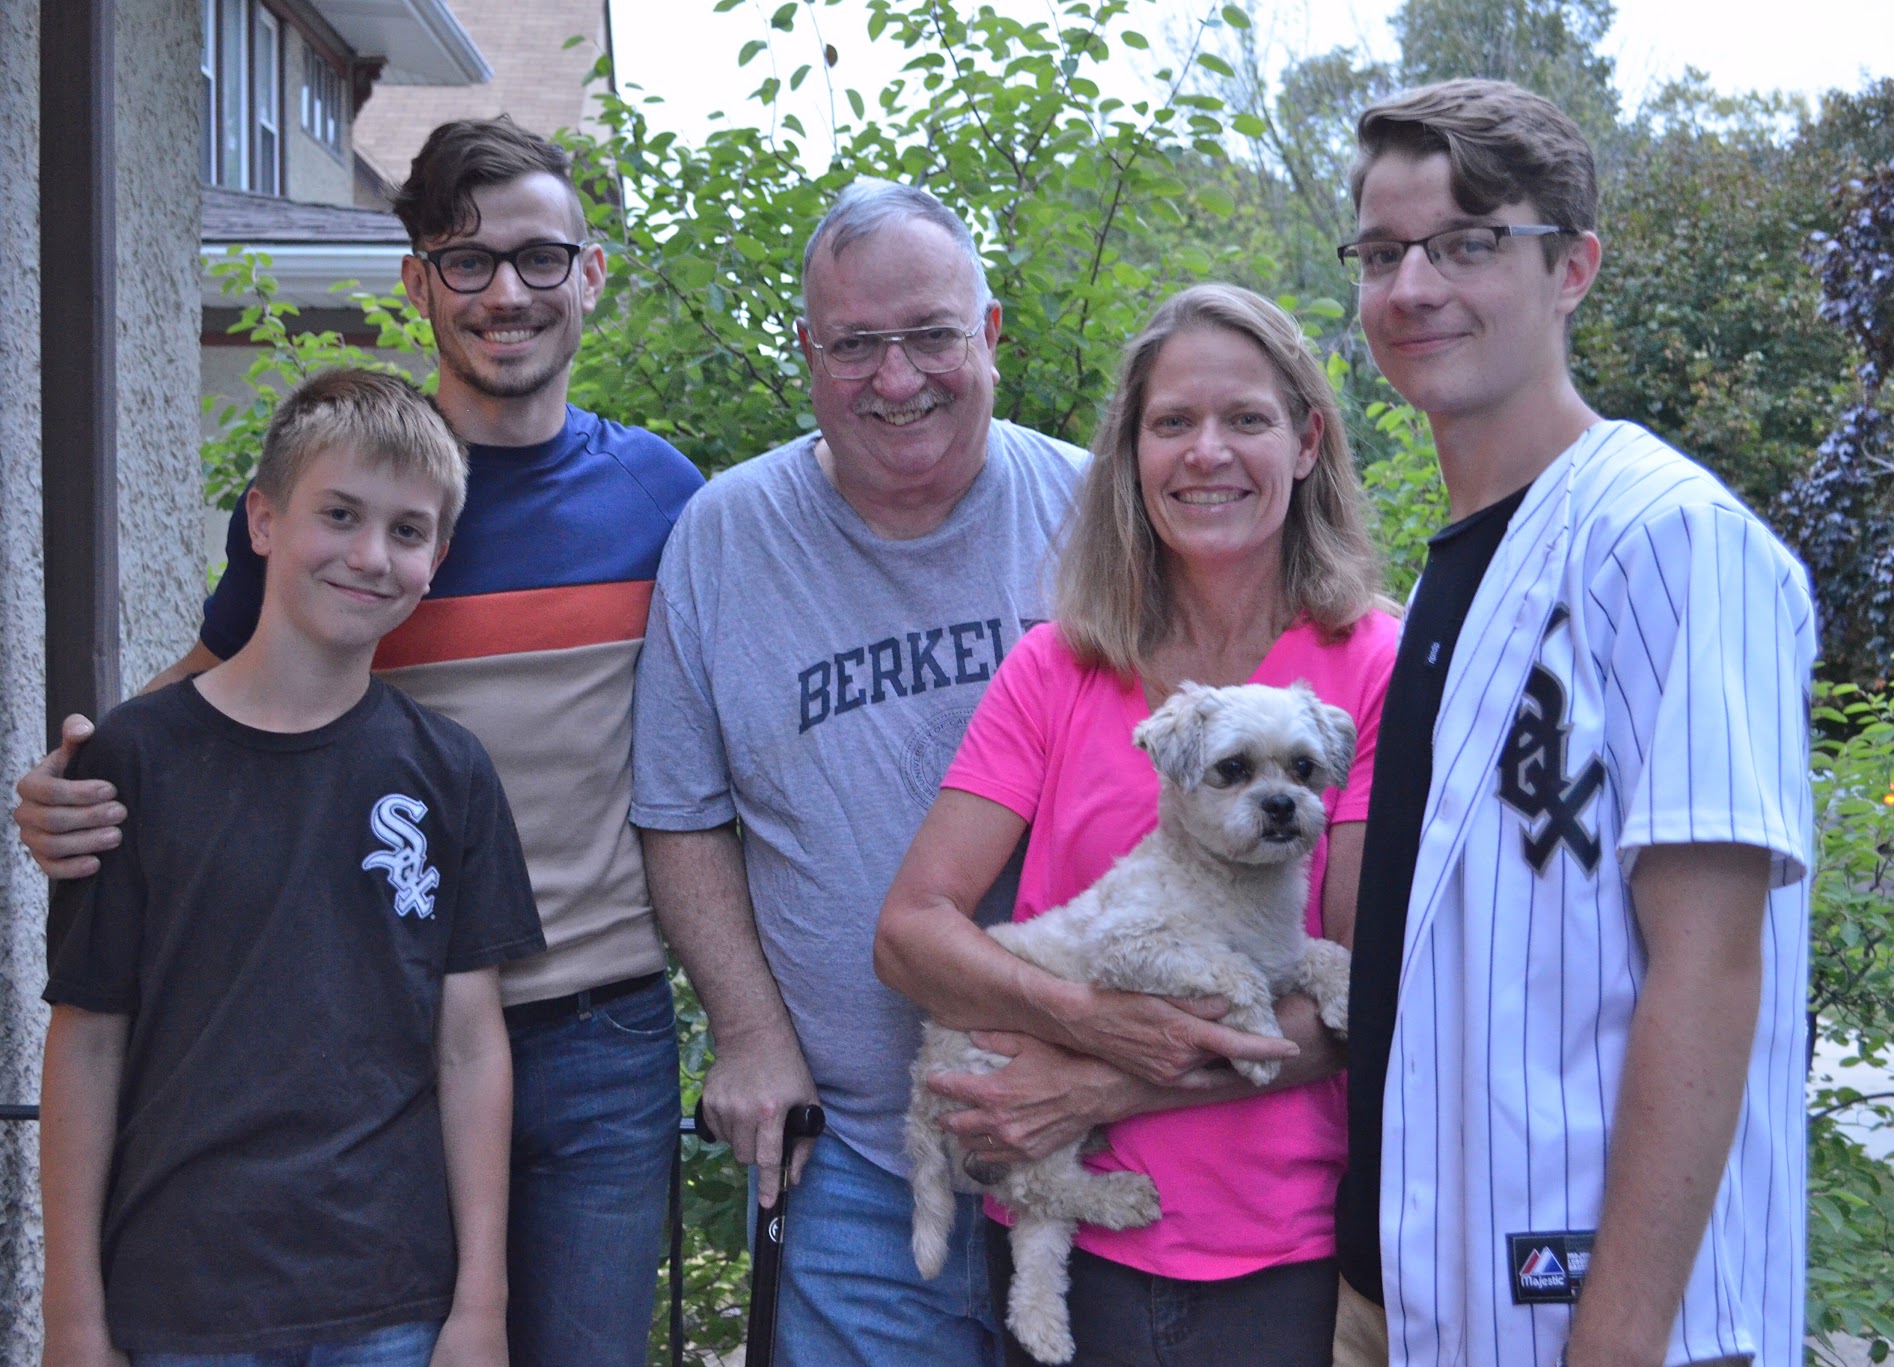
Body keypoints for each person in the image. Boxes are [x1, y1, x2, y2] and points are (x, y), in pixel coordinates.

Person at [16, 118, 704, 1367]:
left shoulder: (667, 500)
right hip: (384, 1042)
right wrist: (78, 783)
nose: (507, 293)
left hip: (598, 1037)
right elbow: (218, 685)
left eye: (542, 259)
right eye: (467, 261)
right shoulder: (363, 500)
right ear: (416, 282)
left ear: (591, 275)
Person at [1329, 79, 1816, 1367]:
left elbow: (1711, 969)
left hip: (1603, 1322)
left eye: (1469, 241)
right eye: (1383, 253)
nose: (1414, 285)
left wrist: (1618, 1341)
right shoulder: (1453, 568)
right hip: (1422, 1293)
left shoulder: (1668, 537)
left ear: (1574, 267)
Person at [630, 178, 1112, 1365]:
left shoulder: (1101, 515)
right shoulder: (727, 537)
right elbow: (682, 816)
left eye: (931, 334)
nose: (896, 379)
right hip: (852, 1155)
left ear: (990, 333)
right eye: (854, 344)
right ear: (806, 353)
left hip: (1100, 1124)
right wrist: (747, 1035)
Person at [874, 283, 1399, 1365]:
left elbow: (1358, 989)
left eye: (1244, 418)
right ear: (1130, 455)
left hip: (1287, 1257)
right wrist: (1080, 1011)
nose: (1206, 451)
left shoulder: (1369, 665)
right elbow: (911, 930)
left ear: (1306, 441)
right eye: (1172, 422)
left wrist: (1102, 1076)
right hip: (1079, 1252)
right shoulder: (1058, 664)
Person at [39, 369, 545, 1367]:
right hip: (176, 1299)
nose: (369, 555)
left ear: (436, 559)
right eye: (340, 514)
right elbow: (88, 1045)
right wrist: (73, 1315)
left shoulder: (448, 772)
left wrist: (479, 1304)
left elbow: (470, 1045)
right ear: (263, 521)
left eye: (406, 531)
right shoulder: (131, 764)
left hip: (389, 1298)